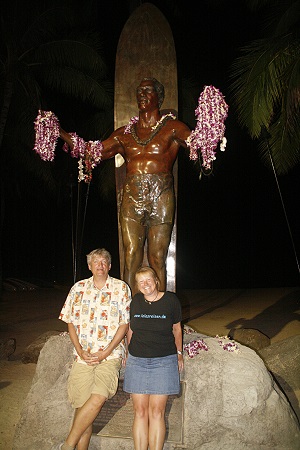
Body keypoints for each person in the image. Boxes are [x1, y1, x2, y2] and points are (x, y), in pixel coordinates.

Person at [59, 77, 192, 294]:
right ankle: (128, 309)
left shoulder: (173, 128)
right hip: (132, 194)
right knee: (131, 254)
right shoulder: (124, 134)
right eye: (139, 91)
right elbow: (94, 151)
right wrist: (61, 133)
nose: (142, 94)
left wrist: (210, 127)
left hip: (161, 193)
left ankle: (157, 309)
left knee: (157, 256)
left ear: (159, 96)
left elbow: (197, 143)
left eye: (148, 90)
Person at [56, 248, 131, 450]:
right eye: (96, 262)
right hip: (83, 357)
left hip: (109, 355)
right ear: (89, 266)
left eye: (104, 262)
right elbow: (70, 321)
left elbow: (124, 324)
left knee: (98, 398)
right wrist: (79, 350)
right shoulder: (78, 288)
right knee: (82, 411)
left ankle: (67, 445)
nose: (100, 265)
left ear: (109, 266)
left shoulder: (121, 288)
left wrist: (107, 351)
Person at [123, 266, 184, 450]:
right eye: (141, 282)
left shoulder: (171, 300)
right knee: (139, 412)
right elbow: (131, 329)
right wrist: (127, 352)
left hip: (163, 361)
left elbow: (177, 329)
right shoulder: (136, 301)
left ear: (156, 280)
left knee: (157, 412)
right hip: (137, 360)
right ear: (137, 285)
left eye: (148, 280)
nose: (145, 284)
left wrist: (179, 354)